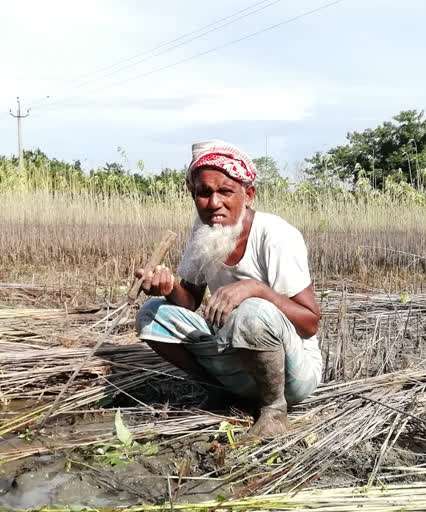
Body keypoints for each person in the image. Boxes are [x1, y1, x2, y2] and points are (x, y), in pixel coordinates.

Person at [134, 140, 322, 438]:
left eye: (225, 191)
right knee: (152, 314)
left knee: (252, 310)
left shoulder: (275, 235)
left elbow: (310, 324)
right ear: (193, 195)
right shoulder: (203, 230)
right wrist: (168, 288)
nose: (214, 203)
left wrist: (256, 289)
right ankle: (219, 388)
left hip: (292, 374)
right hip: (235, 355)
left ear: (248, 195)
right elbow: (189, 304)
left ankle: (274, 411)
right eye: (204, 192)